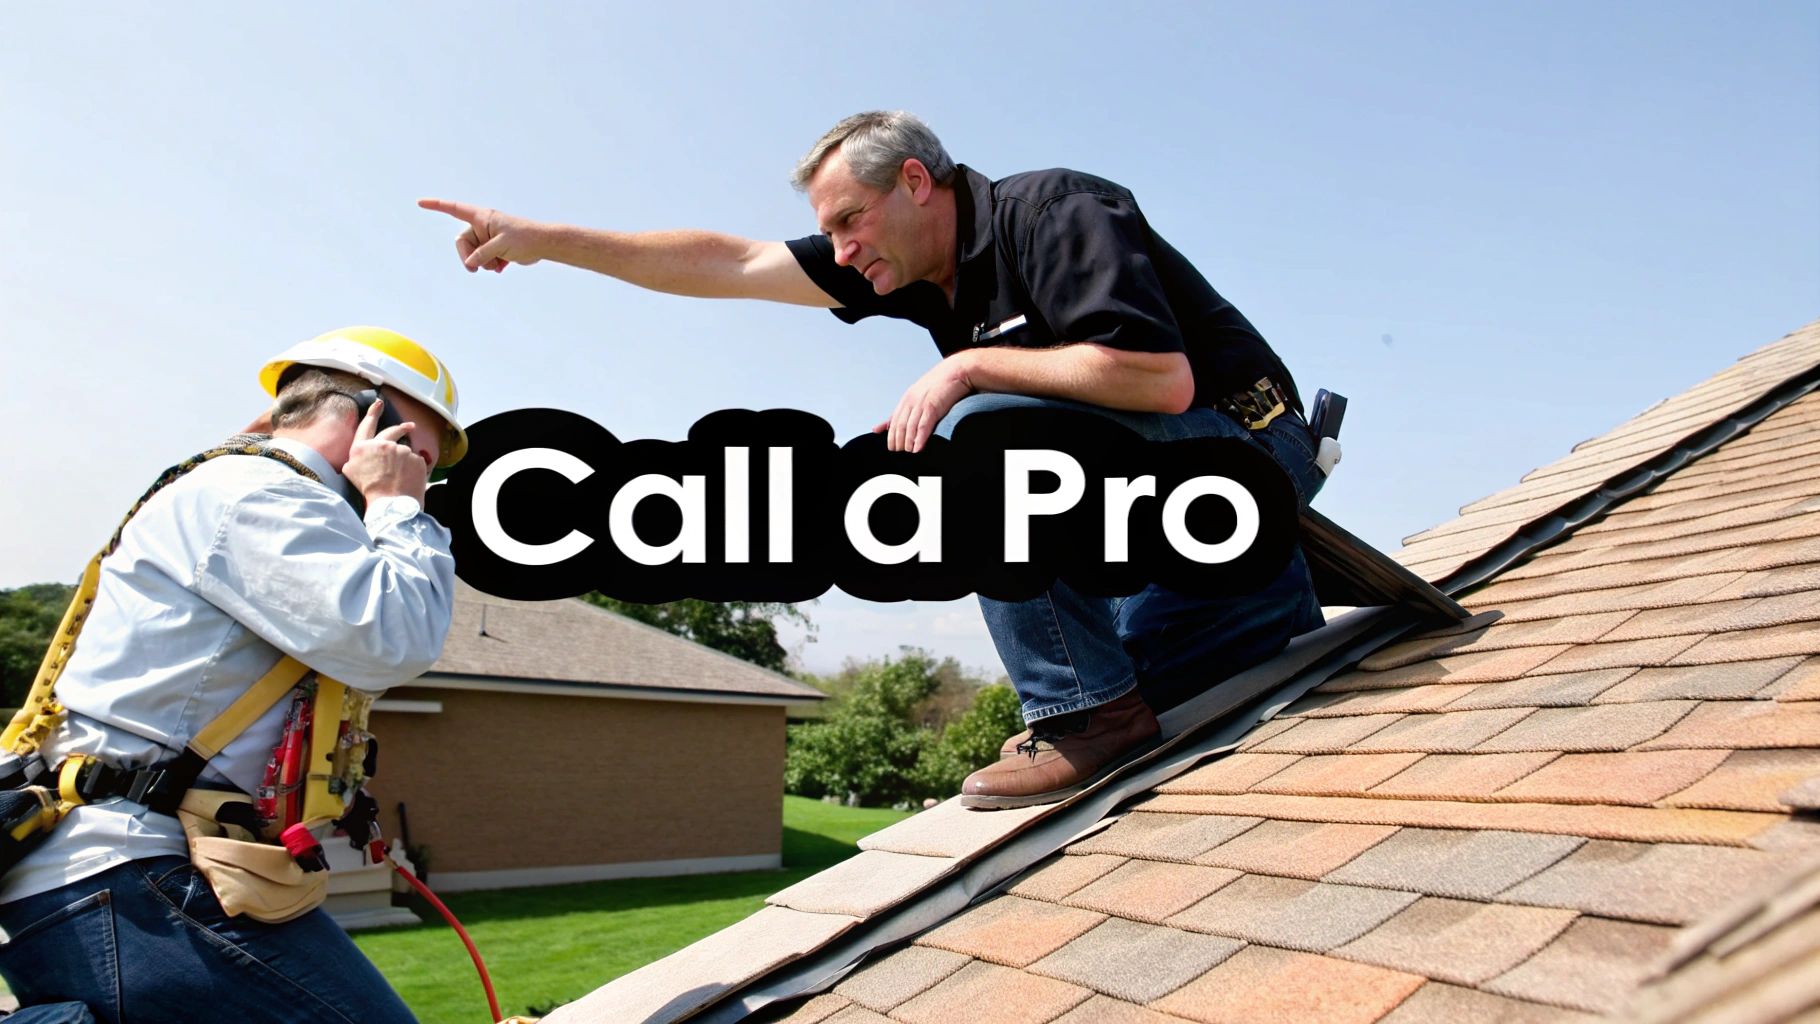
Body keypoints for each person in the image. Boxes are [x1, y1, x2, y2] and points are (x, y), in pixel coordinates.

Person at [420, 111, 1324, 810]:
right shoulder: (900, 262)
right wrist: (549, 243)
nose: (844, 252)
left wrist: (966, 366)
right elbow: (731, 263)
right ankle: (1237, 612)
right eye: (832, 233)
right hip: (1148, 485)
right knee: (1162, 676)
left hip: (1245, 444)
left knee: (979, 437)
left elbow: (1161, 381)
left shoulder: (1056, 210)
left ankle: (1086, 710)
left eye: (852, 222)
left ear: (918, 182)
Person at [0, 327, 466, 1023]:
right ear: (371, 419)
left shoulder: (242, 490)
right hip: (132, 873)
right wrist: (400, 505)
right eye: (416, 453)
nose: (420, 477)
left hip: (118, 879)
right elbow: (392, 637)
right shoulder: (261, 493)